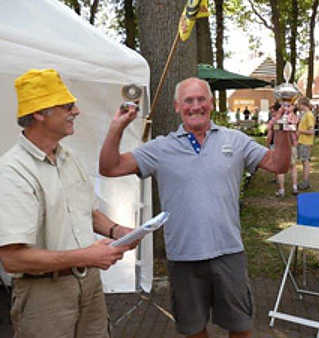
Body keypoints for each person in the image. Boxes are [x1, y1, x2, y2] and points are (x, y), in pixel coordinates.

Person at [99, 77, 292, 338]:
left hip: (229, 252)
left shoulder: (235, 140)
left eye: (201, 99)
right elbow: (109, 167)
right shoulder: (160, 148)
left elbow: (279, 165)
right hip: (183, 257)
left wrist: (281, 129)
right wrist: (117, 127)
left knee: (240, 328)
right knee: (193, 331)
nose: (196, 106)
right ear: (178, 106)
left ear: (211, 104)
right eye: (189, 101)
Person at [0, 69, 136, 338]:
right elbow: (12, 259)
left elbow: (86, 212)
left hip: (90, 286)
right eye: (66, 105)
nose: (76, 111)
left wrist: (117, 231)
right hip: (44, 296)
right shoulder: (12, 172)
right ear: (39, 113)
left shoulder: (68, 157)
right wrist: (87, 256)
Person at [270, 102, 299, 197]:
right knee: (292, 166)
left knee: (281, 168)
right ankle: (294, 187)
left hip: (281, 145)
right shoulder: (293, 117)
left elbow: (272, 127)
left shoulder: (277, 118)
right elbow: (294, 129)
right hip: (290, 145)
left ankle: (282, 190)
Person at [296, 96, 315, 190]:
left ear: (302, 104)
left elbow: (311, 131)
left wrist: (300, 131)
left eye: (299, 104)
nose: (298, 106)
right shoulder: (305, 114)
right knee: (304, 161)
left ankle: (306, 182)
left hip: (306, 142)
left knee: (305, 161)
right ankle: (305, 181)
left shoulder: (309, 115)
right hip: (302, 141)